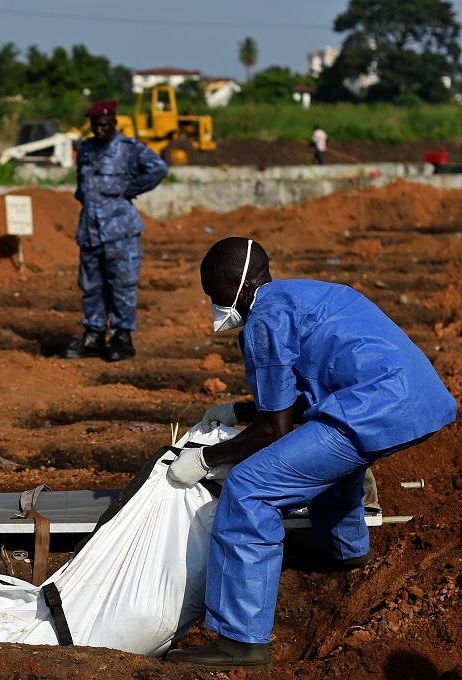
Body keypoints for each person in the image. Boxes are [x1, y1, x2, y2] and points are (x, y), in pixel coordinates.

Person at [165, 237, 457, 672]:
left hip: (373, 407)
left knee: (250, 489)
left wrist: (208, 459)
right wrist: (238, 409)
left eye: (215, 295)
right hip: (412, 399)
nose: (213, 305)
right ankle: (345, 551)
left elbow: (274, 428)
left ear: (239, 288)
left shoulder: (263, 319)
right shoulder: (301, 294)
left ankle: (240, 640)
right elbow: (300, 395)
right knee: (328, 463)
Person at [60, 100, 168, 362]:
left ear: (114, 124)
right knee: (91, 286)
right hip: (90, 230)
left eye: (104, 125)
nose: (98, 130)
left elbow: (159, 168)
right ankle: (94, 333)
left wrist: (131, 189)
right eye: (95, 125)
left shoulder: (128, 149)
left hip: (120, 230)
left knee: (122, 286)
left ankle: (122, 336)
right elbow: (82, 183)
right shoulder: (86, 148)